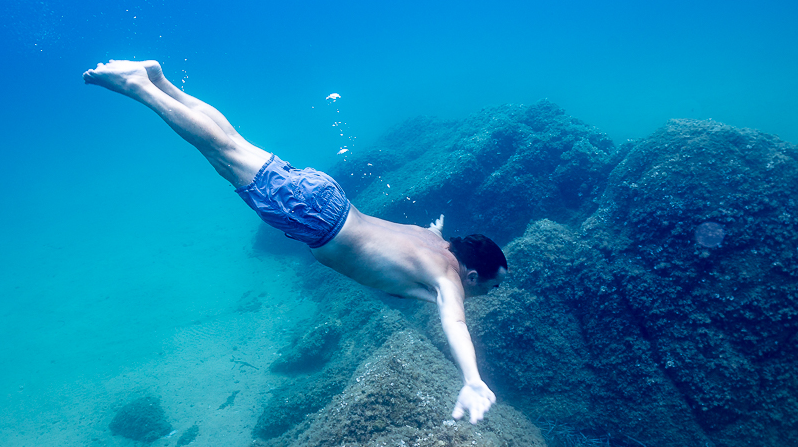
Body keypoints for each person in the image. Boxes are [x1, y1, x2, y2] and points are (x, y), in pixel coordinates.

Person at [83, 60, 508, 424]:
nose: (488, 294)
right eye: (491, 286)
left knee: (232, 143)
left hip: (326, 197)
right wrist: (472, 380)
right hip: (313, 218)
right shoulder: (447, 278)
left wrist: (436, 230)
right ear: (472, 275)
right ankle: (139, 87)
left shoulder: (435, 243)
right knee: (219, 152)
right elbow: (454, 323)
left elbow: (421, 265)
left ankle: (161, 81)